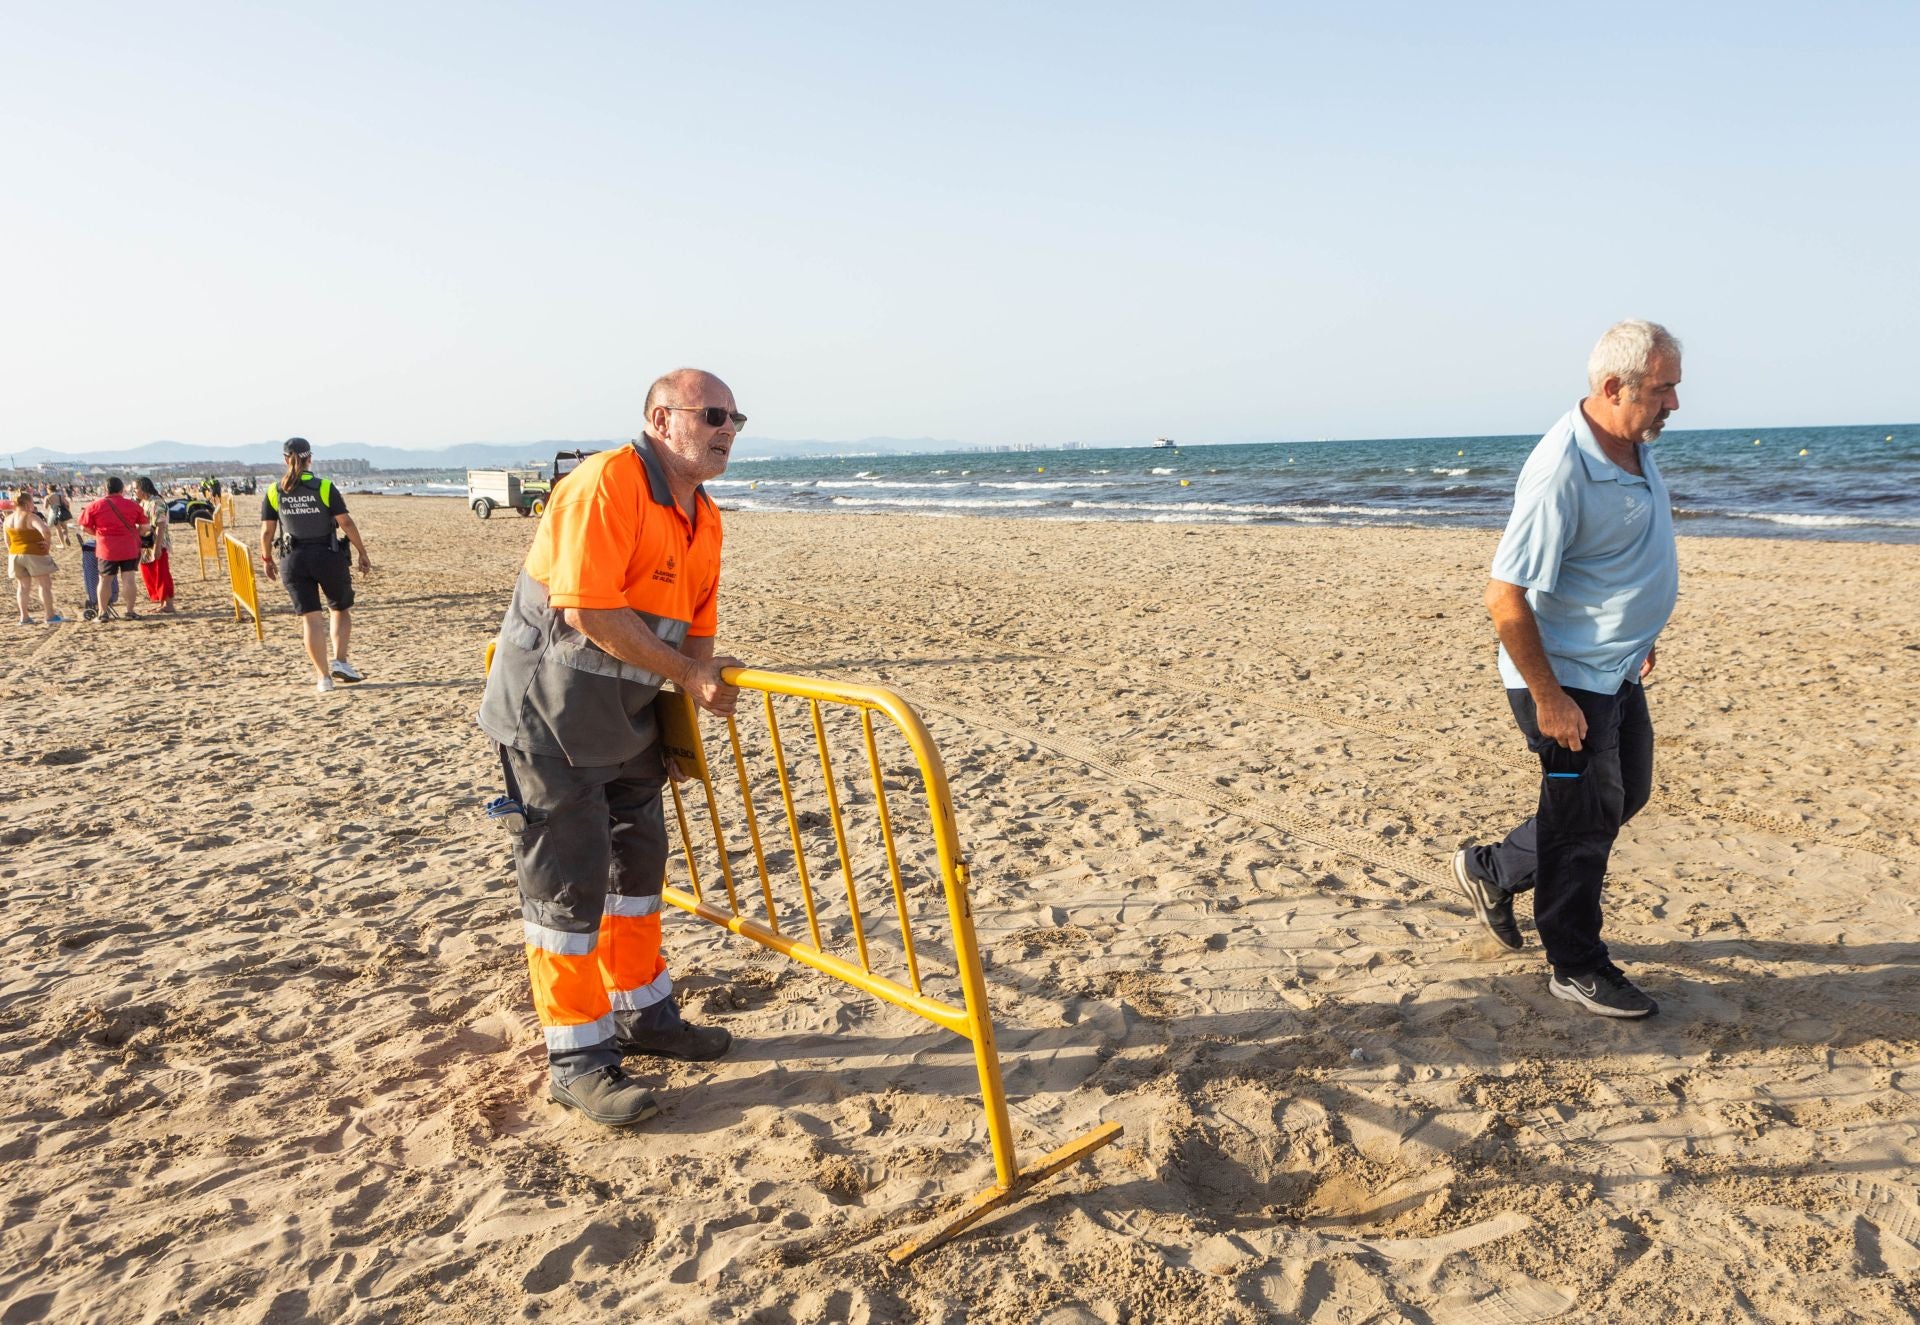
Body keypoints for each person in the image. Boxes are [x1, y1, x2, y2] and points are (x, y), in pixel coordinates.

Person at [478, 368, 746, 1127]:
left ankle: (644, 1015)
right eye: (713, 414)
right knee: (568, 891)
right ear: (662, 419)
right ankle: (578, 1060)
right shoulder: (609, 482)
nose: (728, 429)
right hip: (549, 721)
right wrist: (691, 674)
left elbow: (696, 630)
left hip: (628, 721)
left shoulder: (705, 515)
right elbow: (590, 608)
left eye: (736, 418)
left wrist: (692, 700)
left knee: (637, 873)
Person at [1453, 320, 1682, 1019]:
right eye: (1664, 389)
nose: (1674, 403)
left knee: (1621, 795)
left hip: (1614, 667)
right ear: (1614, 388)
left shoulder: (1629, 441)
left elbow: (1610, 557)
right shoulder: (1562, 469)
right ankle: (1574, 965)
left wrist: (1635, 627)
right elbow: (1504, 596)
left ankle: (1491, 870)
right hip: (1563, 678)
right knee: (1583, 820)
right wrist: (1550, 699)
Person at [259, 438, 374, 693]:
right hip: (327, 555)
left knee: (310, 619)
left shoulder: (274, 490)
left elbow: (267, 532)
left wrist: (266, 558)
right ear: (310, 458)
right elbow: (345, 522)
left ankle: (323, 678)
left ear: (285, 459)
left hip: (293, 558)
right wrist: (362, 552)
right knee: (339, 608)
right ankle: (341, 661)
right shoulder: (323, 487)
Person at [77, 477, 152, 623]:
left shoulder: (94, 506)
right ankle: (130, 611)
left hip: (106, 547)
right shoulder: (132, 505)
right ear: (122, 489)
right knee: (129, 579)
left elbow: (83, 527)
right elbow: (145, 527)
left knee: (104, 580)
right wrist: (136, 534)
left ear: (105, 489)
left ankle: (103, 613)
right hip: (129, 547)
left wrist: (97, 533)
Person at [5, 492, 63, 625]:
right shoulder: (31, 517)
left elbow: (7, 541)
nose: (33, 505)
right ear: (27, 504)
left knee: (23, 587)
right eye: (32, 502)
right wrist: (47, 544)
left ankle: (24, 617)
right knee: (44, 585)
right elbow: (46, 531)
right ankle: (50, 616)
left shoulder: (8, 519)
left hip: (15, 554)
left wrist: (13, 552)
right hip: (33, 553)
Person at [133, 477, 177, 614]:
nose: (134, 491)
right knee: (151, 573)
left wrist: (157, 547)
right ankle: (162, 602)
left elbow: (161, 525)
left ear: (143, 488)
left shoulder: (156, 502)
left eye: (136, 488)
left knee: (161, 573)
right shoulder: (145, 503)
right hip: (147, 544)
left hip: (157, 542)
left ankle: (168, 604)